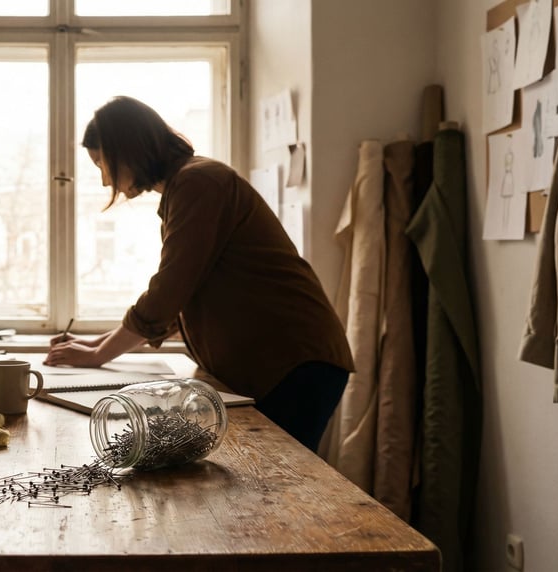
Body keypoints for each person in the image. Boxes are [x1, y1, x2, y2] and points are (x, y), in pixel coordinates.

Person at [45, 96, 354, 451]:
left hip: (295, 362)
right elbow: (187, 293)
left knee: (279, 485)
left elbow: (170, 289)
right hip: (289, 362)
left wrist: (100, 354)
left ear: (127, 150)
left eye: (102, 163)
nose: (104, 181)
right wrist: (97, 343)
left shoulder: (199, 183)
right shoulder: (187, 185)